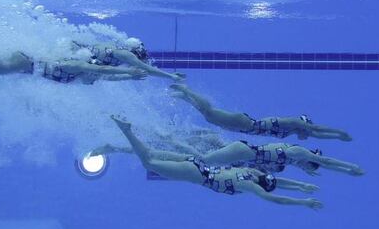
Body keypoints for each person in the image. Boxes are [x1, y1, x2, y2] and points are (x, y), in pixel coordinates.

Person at [111, 116, 323, 209]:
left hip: (207, 162)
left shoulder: (262, 172)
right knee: (156, 155)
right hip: (205, 165)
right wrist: (302, 198)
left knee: (161, 150)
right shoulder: (251, 181)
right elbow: (274, 194)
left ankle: (118, 145)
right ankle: (128, 131)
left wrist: (301, 187)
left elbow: (276, 182)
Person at [90, 138, 363, 177]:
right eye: (308, 163)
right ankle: (121, 145)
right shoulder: (297, 152)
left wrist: (306, 173)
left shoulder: (290, 163)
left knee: (191, 156)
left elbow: (311, 166)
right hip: (243, 152)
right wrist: (349, 168)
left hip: (238, 157)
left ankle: (126, 144)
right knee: (197, 158)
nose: (305, 165)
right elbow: (325, 162)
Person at [170, 83, 352, 141]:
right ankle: (187, 90)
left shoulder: (293, 131)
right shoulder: (294, 123)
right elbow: (317, 129)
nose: (308, 135)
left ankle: (185, 97)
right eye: (308, 129)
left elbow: (315, 135)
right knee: (210, 112)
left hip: (244, 128)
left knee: (209, 118)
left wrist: (336, 138)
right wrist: (340, 133)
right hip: (246, 123)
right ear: (305, 124)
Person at [0, 51, 148, 85]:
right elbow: (105, 72)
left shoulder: (82, 76)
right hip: (23, 61)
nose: (94, 78)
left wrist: (129, 78)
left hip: (23, 66)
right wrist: (129, 71)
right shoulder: (77, 66)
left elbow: (106, 78)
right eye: (93, 74)